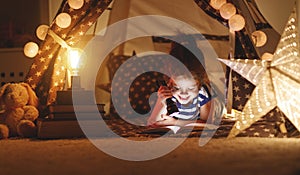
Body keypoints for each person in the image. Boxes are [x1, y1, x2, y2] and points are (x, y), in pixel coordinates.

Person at [147, 71, 213, 127]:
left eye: (191, 88)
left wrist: (175, 122)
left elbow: (208, 123)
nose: (184, 93)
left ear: (199, 87)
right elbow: (152, 123)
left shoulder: (202, 94)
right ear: (170, 86)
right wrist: (161, 100)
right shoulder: (170, 95)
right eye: (177, 88)